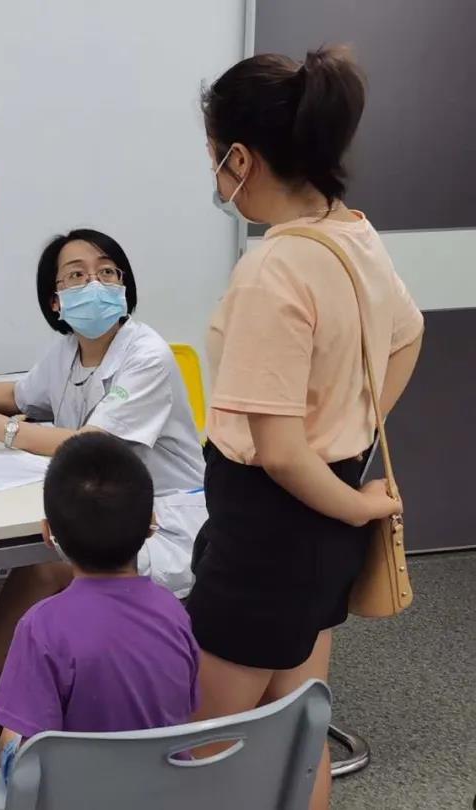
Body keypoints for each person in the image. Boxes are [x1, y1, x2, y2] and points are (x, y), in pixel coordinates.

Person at [187, 46, 423, 810]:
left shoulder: (273, 269)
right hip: (324, 519)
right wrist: (353, 431)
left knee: (209, 747)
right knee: (297, 731)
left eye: (214, 159)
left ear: (240, 159)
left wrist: (356, 504)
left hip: (270, 526)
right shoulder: (352, 233)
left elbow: (283, 455)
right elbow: (410, 334)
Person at [0, 228, 206, 763]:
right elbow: (17, 393)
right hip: (100, 509)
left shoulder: (146, 355)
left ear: (124, 286)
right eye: (76, 275)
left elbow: (93, 445)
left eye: (107, 272)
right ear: (55, 301)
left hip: (156, 521)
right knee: (44, 561)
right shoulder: (67, 352)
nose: (95, 283)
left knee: (46, 566)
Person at [0, 432, 199, 781]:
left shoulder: (41, 625)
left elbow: (29, 753)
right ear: (152, 525)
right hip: (166, 789)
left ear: (48, 533)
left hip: (74, 793)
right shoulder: (174, 610)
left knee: (12, 732)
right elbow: (185, 706)